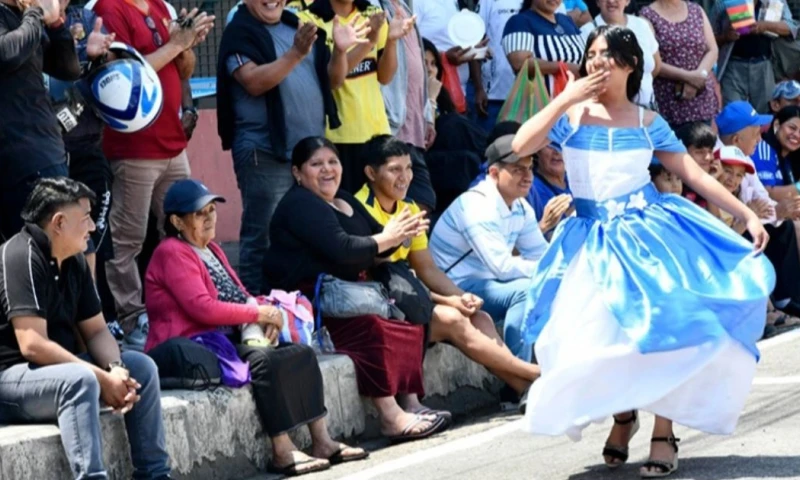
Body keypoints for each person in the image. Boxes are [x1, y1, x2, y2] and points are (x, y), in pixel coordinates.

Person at [512, 25, 773, 478]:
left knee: (663, 332)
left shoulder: (647, 122)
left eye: (607, 55)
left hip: (646, 238)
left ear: (630, 66)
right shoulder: (571, 117)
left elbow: (694, 173)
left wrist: (746, 214)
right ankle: (622, 414)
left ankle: (663, 430)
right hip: (588, 241)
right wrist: (565, 99)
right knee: (591, 340)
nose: (596, 63)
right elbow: (520, 145)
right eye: (591, 54)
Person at [144, 179, 368, 477]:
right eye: (200, 213)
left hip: (223, 335)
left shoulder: (211, 249)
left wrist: (266, 316)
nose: (210, 217)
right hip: (193, 342)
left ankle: (322, 441)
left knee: (300, 353)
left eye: (212, 209)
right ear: (176, 221)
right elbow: (202, 307)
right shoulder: (171, 251)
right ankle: (281, 450)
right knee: (263, 362)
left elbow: (239, 293)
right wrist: (257, 313)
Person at [264, 136, 450, 443]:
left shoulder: (346, 200)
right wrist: (389, 238)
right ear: (297, 172)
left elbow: (376, 242)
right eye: (316, 164)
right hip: (312, 302)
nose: (327, 170)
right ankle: (390, 417)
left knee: (407, 315)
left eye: (332, 162)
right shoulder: (299, 204)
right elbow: (344, 249)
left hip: (351, 292)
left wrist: (401, 235)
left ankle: (411, 402)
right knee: (372, 328)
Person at [0, 177, 172, 480]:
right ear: (59, 222)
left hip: (59, 372)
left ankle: (155, 475)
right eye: (87, 218)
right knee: (80, 381)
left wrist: (115, 368)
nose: (93, 227)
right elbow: (32, 345)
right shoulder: (20, 255)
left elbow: (95, 330)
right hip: (12, 379)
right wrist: (101, 377)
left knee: (141, 367)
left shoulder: (74, 260)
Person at [356, 135, 541, 397]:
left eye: (408, 168)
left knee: (480, 316)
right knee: (454, 318)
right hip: (378, 302)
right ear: (371, 173)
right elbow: (369, 269)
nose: (405, 177)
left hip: (411, 295)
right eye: (394, 169)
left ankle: (523, 389)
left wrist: (459, 296)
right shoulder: (357, 207)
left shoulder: (408, 207)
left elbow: (426, 269)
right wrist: (392, 239)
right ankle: (535, 375)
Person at [89, 0, 215, 349]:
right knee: (127, 240)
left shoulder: (162, 6)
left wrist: (186, 45)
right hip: (134, 149)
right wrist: (175, 44)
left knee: (188, 228)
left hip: (173, 144)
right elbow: (121, 77)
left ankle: (191, 306)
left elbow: (182, 70)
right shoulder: (108, 8)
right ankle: (131, 320)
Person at [216, 0, 363, 296]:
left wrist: (340, 51)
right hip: (266, 153)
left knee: (312, 233)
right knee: (263, 236)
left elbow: (332, 81)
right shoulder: (241, 31)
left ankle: (297, 310)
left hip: (310, 156)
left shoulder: (299, 26)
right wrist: (296, 53)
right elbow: (254, 82)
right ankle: (254, 314)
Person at [429, 135, 550, 363]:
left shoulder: (521, 207)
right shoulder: (476, 205)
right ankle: (519, 380)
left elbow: (540, 254)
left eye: (529, 168)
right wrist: (551, 269)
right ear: (494, 173)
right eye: (517, 170)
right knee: (525, 290)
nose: (527, 177)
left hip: (487, 283)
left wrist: (556, 271)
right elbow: (503, 268)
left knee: (552, 284)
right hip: (456, 287)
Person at [303, 0, 414, 193]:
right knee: (346, 210)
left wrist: (392, 40)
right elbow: (332, 80)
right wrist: (368, 41)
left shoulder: (373, 14)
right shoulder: (309, 19)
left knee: (377, 210)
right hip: (337, 136)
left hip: (377, 131)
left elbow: (386, 77)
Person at [0, 0, 80, 241]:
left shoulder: (23, 18)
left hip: (45, 153)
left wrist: (55, 25)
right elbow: (7, 53)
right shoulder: (19, 18)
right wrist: (36, 13)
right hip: (18, 158)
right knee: (36, 254)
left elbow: (68, 69)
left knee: (62, 250)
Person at [370, 0, 438, 213]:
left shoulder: (404, 6)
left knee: (423, 201)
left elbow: (419, 69)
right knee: (391, 201)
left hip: (414, 130)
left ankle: (406, 244)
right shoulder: (373, 5)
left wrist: (428, 115)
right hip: (389, 126)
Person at [640, 0, 718, 129]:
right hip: (669, 101)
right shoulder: (647, 16)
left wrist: (699, 76)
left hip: (700, 98)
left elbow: (712, 49)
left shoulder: (696, 10)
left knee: (703, 147)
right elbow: (652, 61)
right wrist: (689, 77)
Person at [711, 0, 797, 114]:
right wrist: (725, 37)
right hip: (732, 68)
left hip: (764, 66)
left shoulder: (776, 1)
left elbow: (791, 27)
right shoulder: (724, 2)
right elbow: (708, 37)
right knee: (734, 116)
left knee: (765, 116)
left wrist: (765, 26)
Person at [580, 0, 661, 109]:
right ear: (597, 2)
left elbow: (656, 65)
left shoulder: (641, 25)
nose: (611, 1)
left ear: (627, 1)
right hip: (609, 111)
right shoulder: (586, 32)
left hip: (648, 107)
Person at [502, 0, 584, 95]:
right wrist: (563, 67)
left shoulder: (567, 21)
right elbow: (520, 65)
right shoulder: (520, 22)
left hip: (576, 103)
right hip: (542, 104)